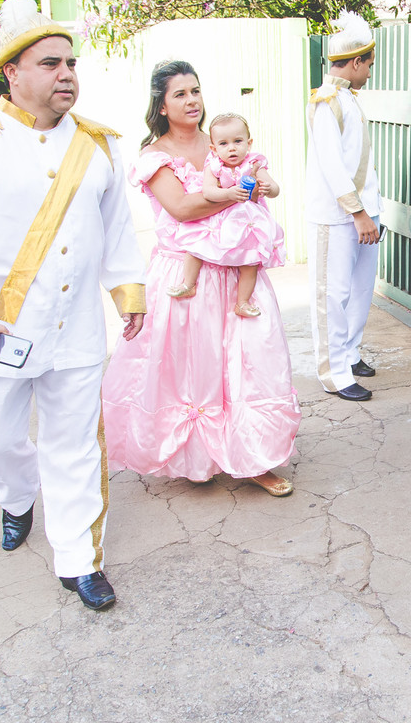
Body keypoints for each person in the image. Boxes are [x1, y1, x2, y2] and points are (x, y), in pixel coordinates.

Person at [0, 0, 147, 611]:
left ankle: (78, 561)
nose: (67, 74)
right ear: (12, 73)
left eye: (71, 62)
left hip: (75, 329)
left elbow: (118, 226)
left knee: (74, 444)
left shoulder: (99, 145)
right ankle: (17, 497)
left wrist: (128, 289)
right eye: (50, 63)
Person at [101, 60, 300, 496]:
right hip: (186, 273)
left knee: (250, 362)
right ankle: (199, 456)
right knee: (196, 370)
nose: (192, 101)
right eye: (180, 94)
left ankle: (253, 458)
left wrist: (248, 190)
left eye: (195, 91)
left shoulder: (223, 144)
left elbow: (261, 183)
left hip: (236, 268)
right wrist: (237, 196)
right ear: (162, 104)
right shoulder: (155, 156)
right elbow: (182, 208)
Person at [305, 11, 383, 403]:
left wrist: (371, 211)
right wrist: (358, 212)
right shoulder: (327, 102)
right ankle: (333, 373)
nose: (370, 70)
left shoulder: (348, 99)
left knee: (360, 290)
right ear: (355, 62)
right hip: (339, 217)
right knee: (331, 296)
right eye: (368, 63)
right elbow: (332, 164)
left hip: (364, 214)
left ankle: (349, 355)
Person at [168, 112, 287, 319]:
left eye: (238, 141)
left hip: (246, 219)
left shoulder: (253, 164)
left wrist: (270, 188)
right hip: (220, 214)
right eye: (223, 143)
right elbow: (208, 191)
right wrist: (229, 193)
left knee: (250, 261)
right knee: (197, 244)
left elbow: (275, 189)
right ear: (214, 148)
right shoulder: (214, 165)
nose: (232, 148)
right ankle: (188, 283)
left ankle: (242, 302)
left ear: (248, 143)